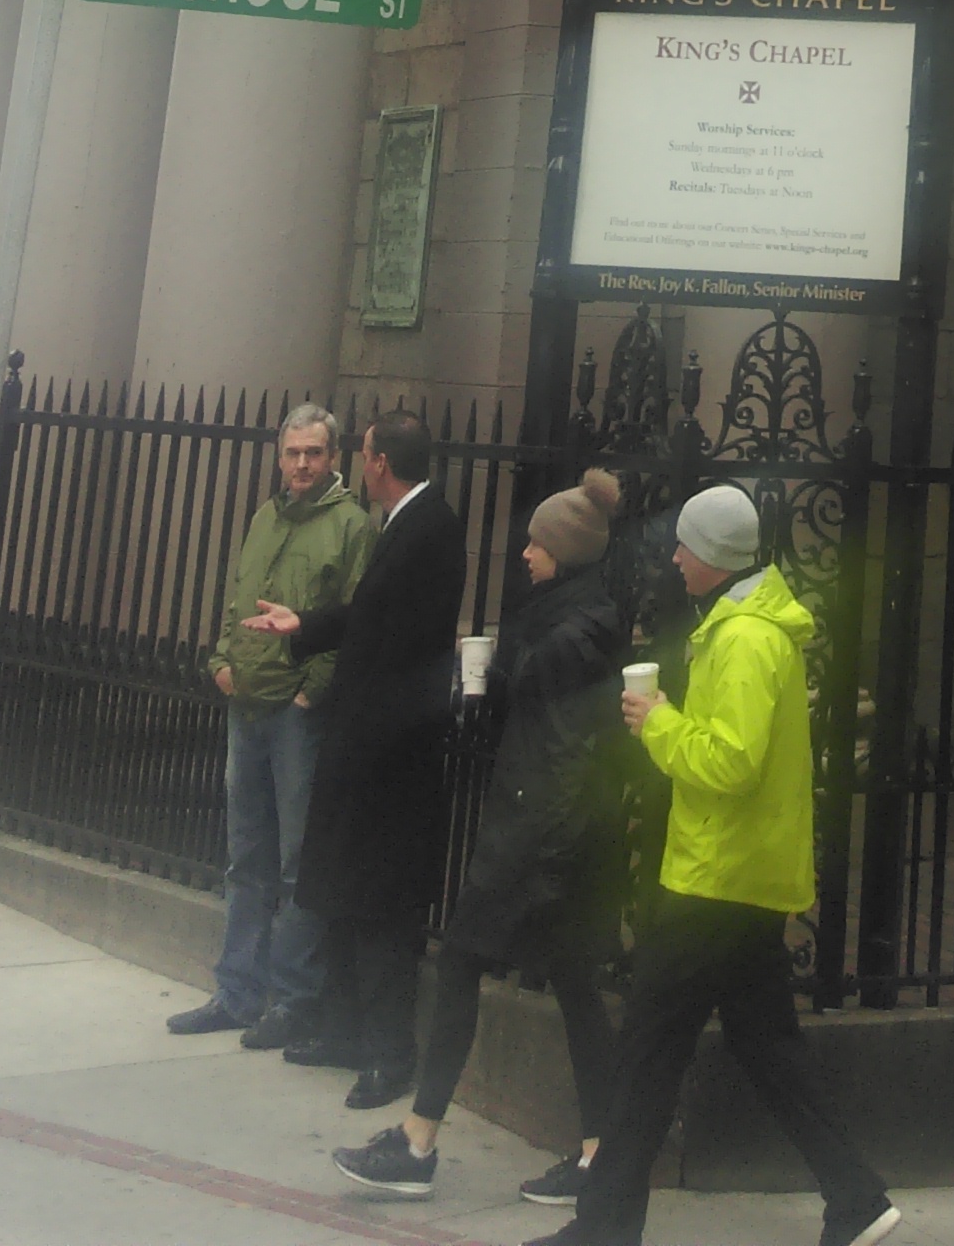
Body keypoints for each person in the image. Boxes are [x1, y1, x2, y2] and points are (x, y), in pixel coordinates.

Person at [573, 482, 897, 1246]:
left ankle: (602, 1231)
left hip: (712, 879)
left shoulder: (745, 638)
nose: (675, 559)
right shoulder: (748, 627)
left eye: (685, 546)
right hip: (740, 876)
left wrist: (658, 724)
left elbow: (731, 762)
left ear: (714, 555)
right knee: (766, 1046)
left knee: (648, 1053)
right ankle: (855, 1197)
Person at [332, 474, 629, 1205]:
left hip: (537, 833)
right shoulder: (579, 624)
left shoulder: (568, 638)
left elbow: (559, 752)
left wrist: (530, 848)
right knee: (575, 986)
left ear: (565, 551)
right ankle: (598, 1154)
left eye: (537, 543)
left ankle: (418, 1141)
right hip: (567, 834)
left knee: (463, 962)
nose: (524, 553)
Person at [249, 408, 467, 1108]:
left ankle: (388, 1055)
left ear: (378, 463)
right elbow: (368, 615)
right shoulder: (403, 523)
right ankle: (343, 1031)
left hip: (390, 754)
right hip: (365, 744)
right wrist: (303, 625)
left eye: (363, 454)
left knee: (381, 912)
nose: (358, 466)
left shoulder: (428, 529)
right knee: (343, 894)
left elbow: (394, 639)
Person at [166, 401, 373, 1049]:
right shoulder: (265, 516)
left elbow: (355, 616)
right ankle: (238, 993)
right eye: (292, 452)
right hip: (247, 703)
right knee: (245, 857)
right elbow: (238, 598)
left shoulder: (352, 526)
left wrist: (313, 690)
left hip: (295, 713)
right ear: (280, 457)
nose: (302, 464)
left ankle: (293, 1000)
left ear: (334, 457)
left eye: (313, 452)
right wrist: (221, 659)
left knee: (295, 862)